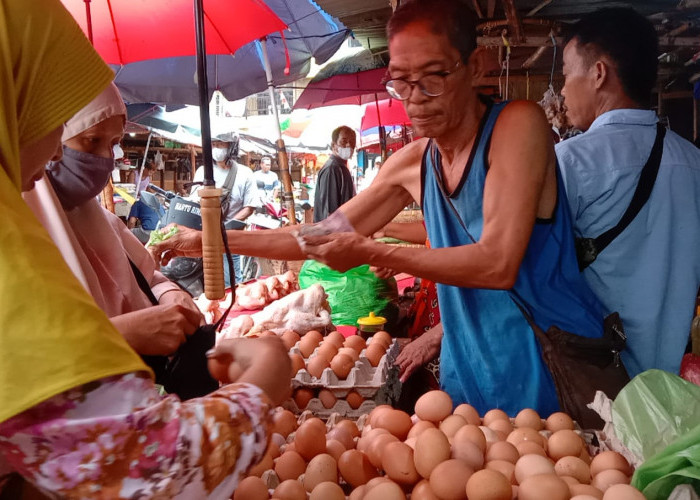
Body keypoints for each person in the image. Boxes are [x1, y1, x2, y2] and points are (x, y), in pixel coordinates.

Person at [151, 0, 605, 416]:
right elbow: (317, 234)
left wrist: (373, 251)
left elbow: (497, 264)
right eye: (401, 81)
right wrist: (209, 240)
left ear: (476, 66)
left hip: (545, 361)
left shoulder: (516, 126)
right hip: (471, 367)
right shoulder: (412, 163)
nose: (415, 97)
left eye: (433, 77)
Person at [0, 1, 290, 497]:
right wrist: (267, 379)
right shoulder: (12, 248)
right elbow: (156, 469)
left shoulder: (93, 219)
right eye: (47, 113)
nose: (51, 149)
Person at [556, 7, 700, 378]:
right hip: (669, 387)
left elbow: (533, 267)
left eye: (568, 73)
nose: (562, 89)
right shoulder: (693, 160)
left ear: (598, 74)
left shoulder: (570, 160)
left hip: (596, 380)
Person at [24, 83, 201, 359]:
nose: (106, 158)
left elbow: (146, 277)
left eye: (114, 144)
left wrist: (170, 294)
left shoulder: (105, 222)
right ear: (51, 139)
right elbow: (21, 352)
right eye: (92, 140)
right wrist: (119, 335)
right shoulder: (18, 231)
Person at [190, 132, 258, 286]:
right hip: (205, 235)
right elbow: (195, 202)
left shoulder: (245, 173)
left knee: (231, 283)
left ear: (232, 146)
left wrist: (227, 226)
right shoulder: (203, 172)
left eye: (220, 144)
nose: (216, 148)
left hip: (230, 238)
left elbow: (249, 207)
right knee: (206, 281)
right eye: (213, 145)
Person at [313, 125, 357, 222]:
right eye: (344, 142)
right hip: (331, 233)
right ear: (333, 145)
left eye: (352, 142)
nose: (349, 145)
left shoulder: (342, 168)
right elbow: (330, 212)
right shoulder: (332, 169)